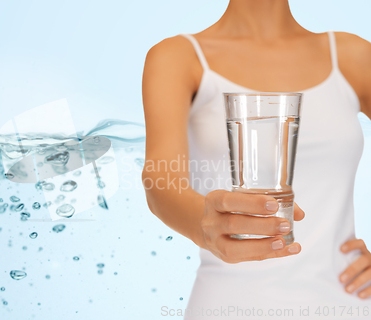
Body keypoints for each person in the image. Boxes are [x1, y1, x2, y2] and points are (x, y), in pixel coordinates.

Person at [141, 0, 371, 319]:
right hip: (228, 305)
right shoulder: (178, 57)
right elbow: (159, 183)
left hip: (347, 304)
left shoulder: (354, 56)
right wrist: (205, 224)